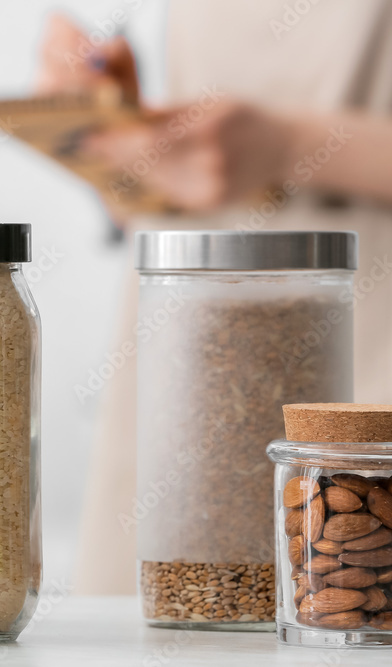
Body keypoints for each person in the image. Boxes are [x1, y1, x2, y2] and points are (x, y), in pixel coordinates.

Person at [38, 2, 392, 594]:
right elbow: (173, 199)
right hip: (186, 351)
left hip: (366, 332)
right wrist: (121, 142)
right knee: (172, 615)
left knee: (349, 599)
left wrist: (290, 146)